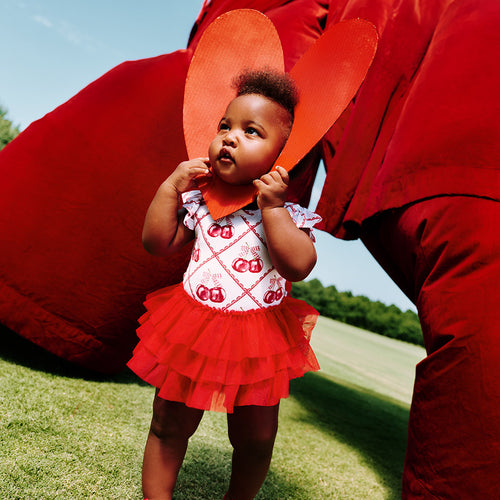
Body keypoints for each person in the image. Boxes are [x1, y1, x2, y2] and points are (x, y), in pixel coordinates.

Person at [127, 69, 322, 500]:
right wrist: (171, 188)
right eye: (224, 126)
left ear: (283, 156)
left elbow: (299, 266)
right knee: (168, 424)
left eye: (251, 131)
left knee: (255, 439)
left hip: (259, 338)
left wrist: (272, 209)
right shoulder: (200, 200)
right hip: (193, 329)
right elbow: (157, 243)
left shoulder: (288, 215)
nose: (229, 138)